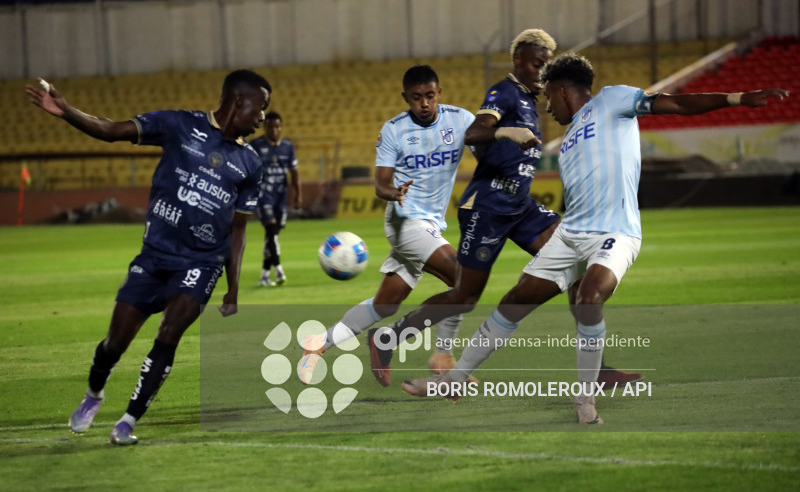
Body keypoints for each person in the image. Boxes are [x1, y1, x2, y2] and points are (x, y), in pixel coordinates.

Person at [401, 52, 790, 424]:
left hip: (615, 232)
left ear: (563, 90)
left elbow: (676, 103)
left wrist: (738, 99)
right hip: (571, 234)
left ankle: (585, 398)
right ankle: (451, 382)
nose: (547, 109)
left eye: (549, 97)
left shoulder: (613, 100)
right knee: (516, 299)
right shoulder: (569, 142)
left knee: (589, 297)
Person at [367, 29, 640, 388]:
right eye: (536, 63)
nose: (542, 72)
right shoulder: (505, 92)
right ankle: (387, 339)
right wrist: (506, 133)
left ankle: (598, 368)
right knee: (464, 296)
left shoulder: (533, 101)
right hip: (489, 206)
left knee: (576, 263)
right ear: (518, 61)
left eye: (546, 66)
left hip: (520, 205)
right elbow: (474, 133)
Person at [25, 69, 271, 444]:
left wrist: (232, 288)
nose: (263, 117)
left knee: (169, 334)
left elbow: (238, 231)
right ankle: (94, 395)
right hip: (155, 257)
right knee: (115, 343)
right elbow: (112, 131)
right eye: (262, 107)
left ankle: (127, 421)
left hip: (202, 264)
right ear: (239, 100)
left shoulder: (251, 164)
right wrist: (68, 111)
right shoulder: (179, 125)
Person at [298, 64, 478, 383]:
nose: (423, 103)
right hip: (405, 221)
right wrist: (393, 192)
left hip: (431, 226)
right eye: (416, 97)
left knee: (385, 304)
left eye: (429, 96)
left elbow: (488, 155)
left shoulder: (460, 119)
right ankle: (445, 359)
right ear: (405, 97)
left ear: (439, 93)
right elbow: (380, 182)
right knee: (463, 278)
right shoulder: (394, 129)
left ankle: (317, 345)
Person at [249, 111, 300, 286]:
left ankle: (264, 274)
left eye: (277, 126)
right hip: (263, 195)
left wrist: (297, 194)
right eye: (271, 126)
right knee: (271, 230)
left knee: (272, 237)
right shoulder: (256, 145)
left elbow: (294, 172)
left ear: (281, 127)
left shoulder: (287, 146)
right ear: (265, 127)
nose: (274, 130)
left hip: (281, 196)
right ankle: (278, 269)